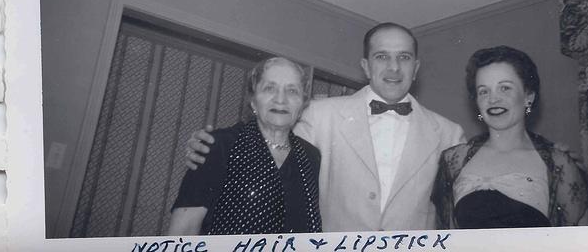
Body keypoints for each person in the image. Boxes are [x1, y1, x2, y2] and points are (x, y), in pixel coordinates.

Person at [186, 23, 465, 231]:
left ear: (415, 68)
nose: (393, 68)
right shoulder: (317, 115)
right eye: (382, 57)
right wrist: (214, 147)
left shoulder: (451, 134)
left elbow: (455, 221)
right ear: (365, 66)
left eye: (403, 58)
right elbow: (267, 146)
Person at [432, 45, 588, 228]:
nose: (493, 99)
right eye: (484, 91)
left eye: (505, 88)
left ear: (528, 97)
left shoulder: (559, 164)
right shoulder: (454, 160)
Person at [168, 57, 322, 235]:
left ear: (303, 104)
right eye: (269, 88)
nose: (281, 99)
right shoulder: (219, 145)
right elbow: (183, 231)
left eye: (292, 91)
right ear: (253, 100)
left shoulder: (310, 157)